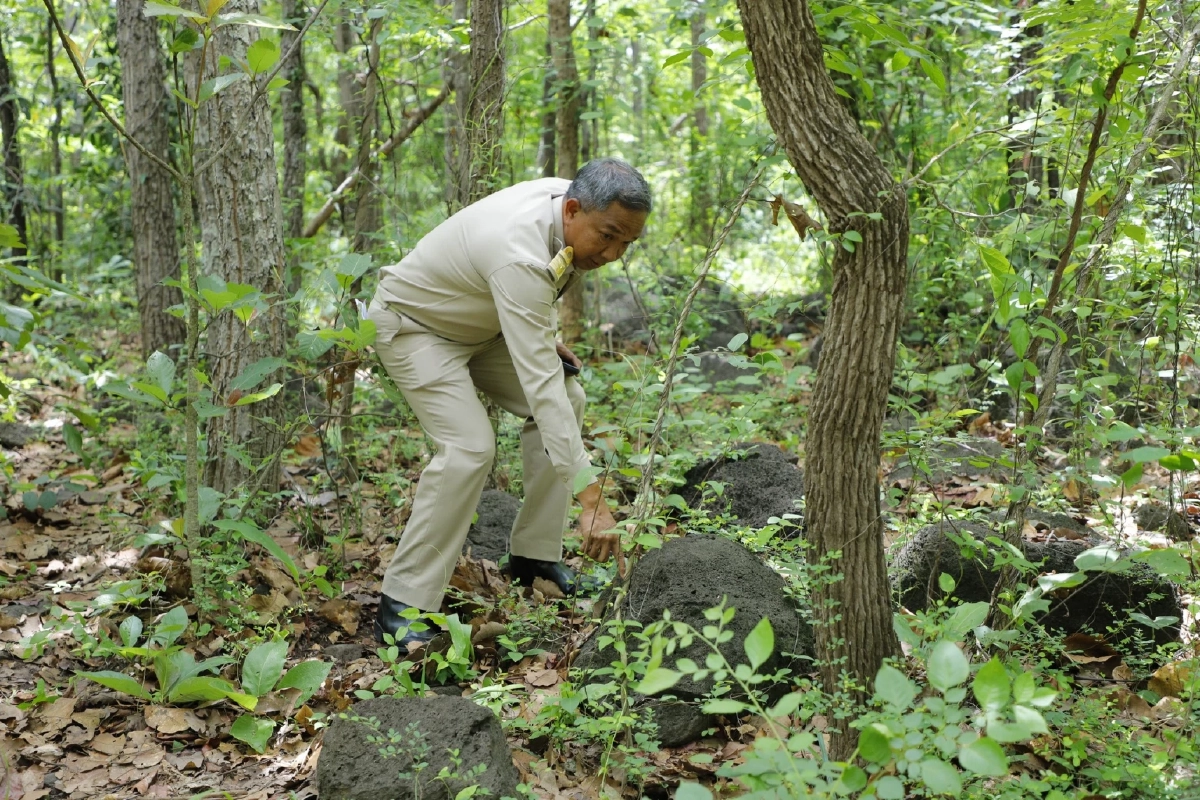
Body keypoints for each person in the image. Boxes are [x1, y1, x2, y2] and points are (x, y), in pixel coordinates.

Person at [367, 158, 651, 646]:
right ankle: (402, 605)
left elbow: (534, 294)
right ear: (573, 210)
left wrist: (537, 333)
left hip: (482, 327)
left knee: (569, 395)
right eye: (608, 237)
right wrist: (592, 500)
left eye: (627, 243)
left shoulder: (570, 202)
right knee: (470, 447)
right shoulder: (517, 249)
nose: (613, 254)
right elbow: (539, 379)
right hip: (416, 327)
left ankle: (533, 557)